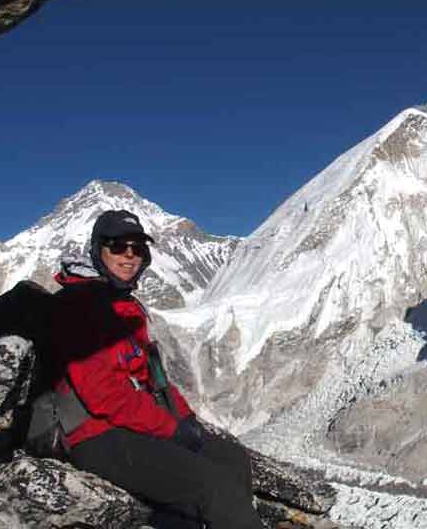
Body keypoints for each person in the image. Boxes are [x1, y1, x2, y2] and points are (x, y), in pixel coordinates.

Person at [49, 210, 265, 529]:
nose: (129, 255)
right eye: (118, 246)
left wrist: (186, 420)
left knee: (231, 459)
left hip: (132, 425)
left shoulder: (126, 307)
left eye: (137, 248)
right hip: (96, 436)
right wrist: (169, 429)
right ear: (98, 250)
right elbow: (101, 394)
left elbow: (155, 379)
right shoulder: (78, 305)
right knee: (213, 488)